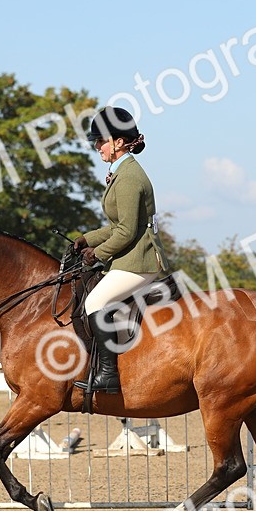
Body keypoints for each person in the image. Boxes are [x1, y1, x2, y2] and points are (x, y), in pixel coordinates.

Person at [72, 106, 169, 394]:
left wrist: (98, 254)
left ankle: (108, 375)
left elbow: (126, 232)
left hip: (139, 260)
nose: (96, 147)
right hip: (129, 256)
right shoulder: (121, 172)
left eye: (100, 141)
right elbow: (117, 226)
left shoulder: (128, 177)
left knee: (95, 303)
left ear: (118, 142)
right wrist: (87, 239)